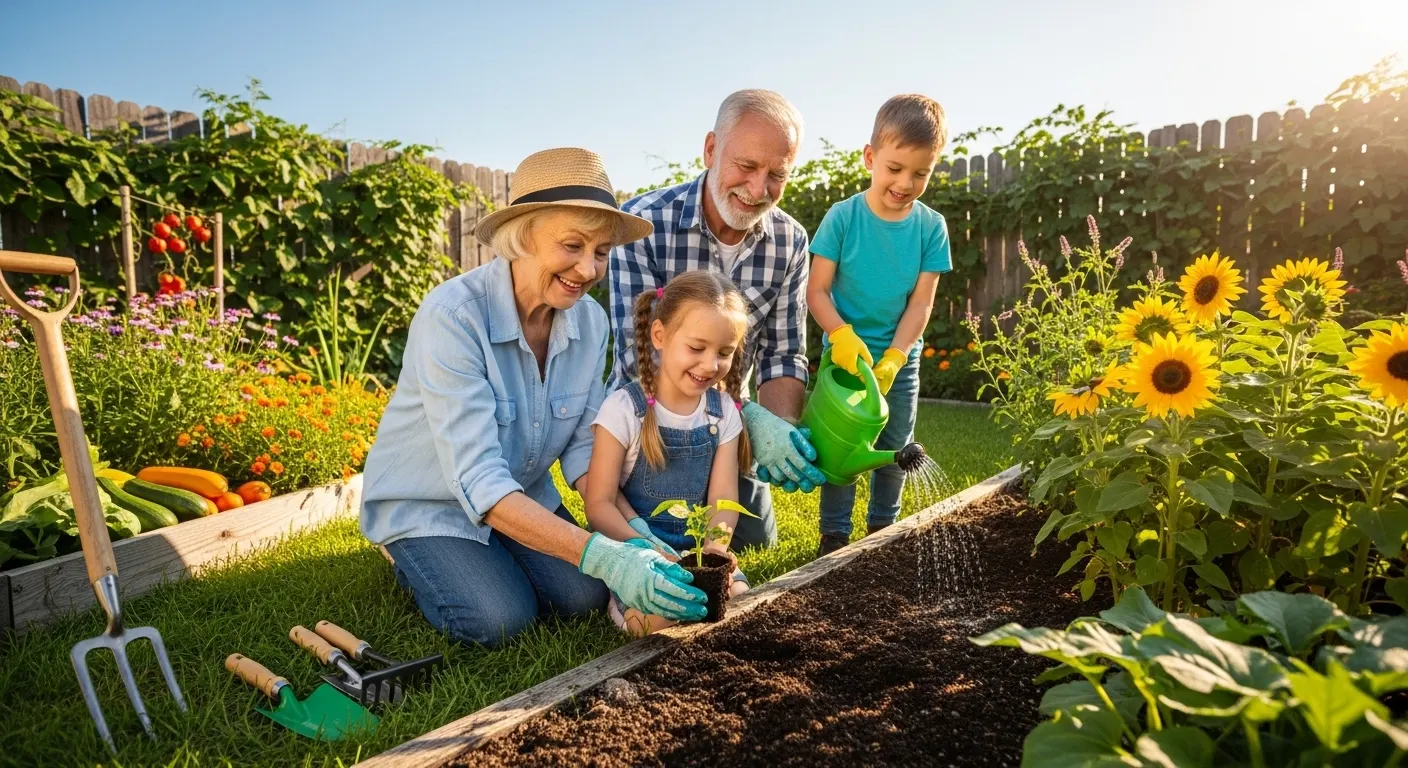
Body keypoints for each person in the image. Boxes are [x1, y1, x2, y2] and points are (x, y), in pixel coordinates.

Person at [360, 148, 708, 648]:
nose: (588, 269)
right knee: (499, 619)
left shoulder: (589, 322)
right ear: (522, 237)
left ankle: (501, 549)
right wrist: (604, 555)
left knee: (582, 596)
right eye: (572, 245)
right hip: (428, 503)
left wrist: (634, 534)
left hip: (519, 493)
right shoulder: (454, 318)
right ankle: (404, 552)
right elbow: (479, 479)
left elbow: (585, 452)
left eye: (602, 251)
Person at [608, 89, 827, 551]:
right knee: (664, 539)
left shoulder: (790, 241)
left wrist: (775, 427)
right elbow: (638, 357)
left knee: (755, 544)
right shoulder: (642, 224)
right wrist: (745, 414)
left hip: (729, 426)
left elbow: (784, 354)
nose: (757, 189)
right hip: (649, 425)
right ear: (711, 149)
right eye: (746, 166)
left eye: (776, 175)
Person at [807, 94, 952, 556]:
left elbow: (920, 304)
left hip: (897, 361)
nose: (905, 183)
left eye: (920, 173)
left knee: (895, 448)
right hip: (846, 358)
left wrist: (896, 356)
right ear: (870, 158)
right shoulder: (843, 218)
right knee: (841, 452)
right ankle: (833, 535)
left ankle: (882, 532)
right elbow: (816, 291)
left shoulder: (931, 228)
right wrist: (841, 334)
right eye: (894, 168)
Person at [584, 272, 753, 636]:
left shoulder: (722, 412)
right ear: (659, 336)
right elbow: (598, 503)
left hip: (696, 550)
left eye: (724, 353)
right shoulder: (623, 409)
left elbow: (723, 499)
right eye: (696, 348)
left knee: (738, 598)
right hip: (635, 551)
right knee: (662, 618)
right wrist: (645, 549)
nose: (710, 365)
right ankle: (622, 603)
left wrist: (714, 549)